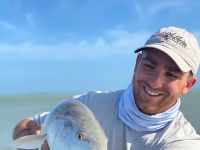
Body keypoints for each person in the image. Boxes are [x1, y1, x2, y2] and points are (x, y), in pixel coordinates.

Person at [13, 26, 200, 150]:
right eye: (149, 66)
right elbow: (26, 125)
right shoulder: (87, 105)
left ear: (188, 85)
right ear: (137, 63)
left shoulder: (182, 142)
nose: (154, 82)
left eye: (171, 74)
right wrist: (33, 138)